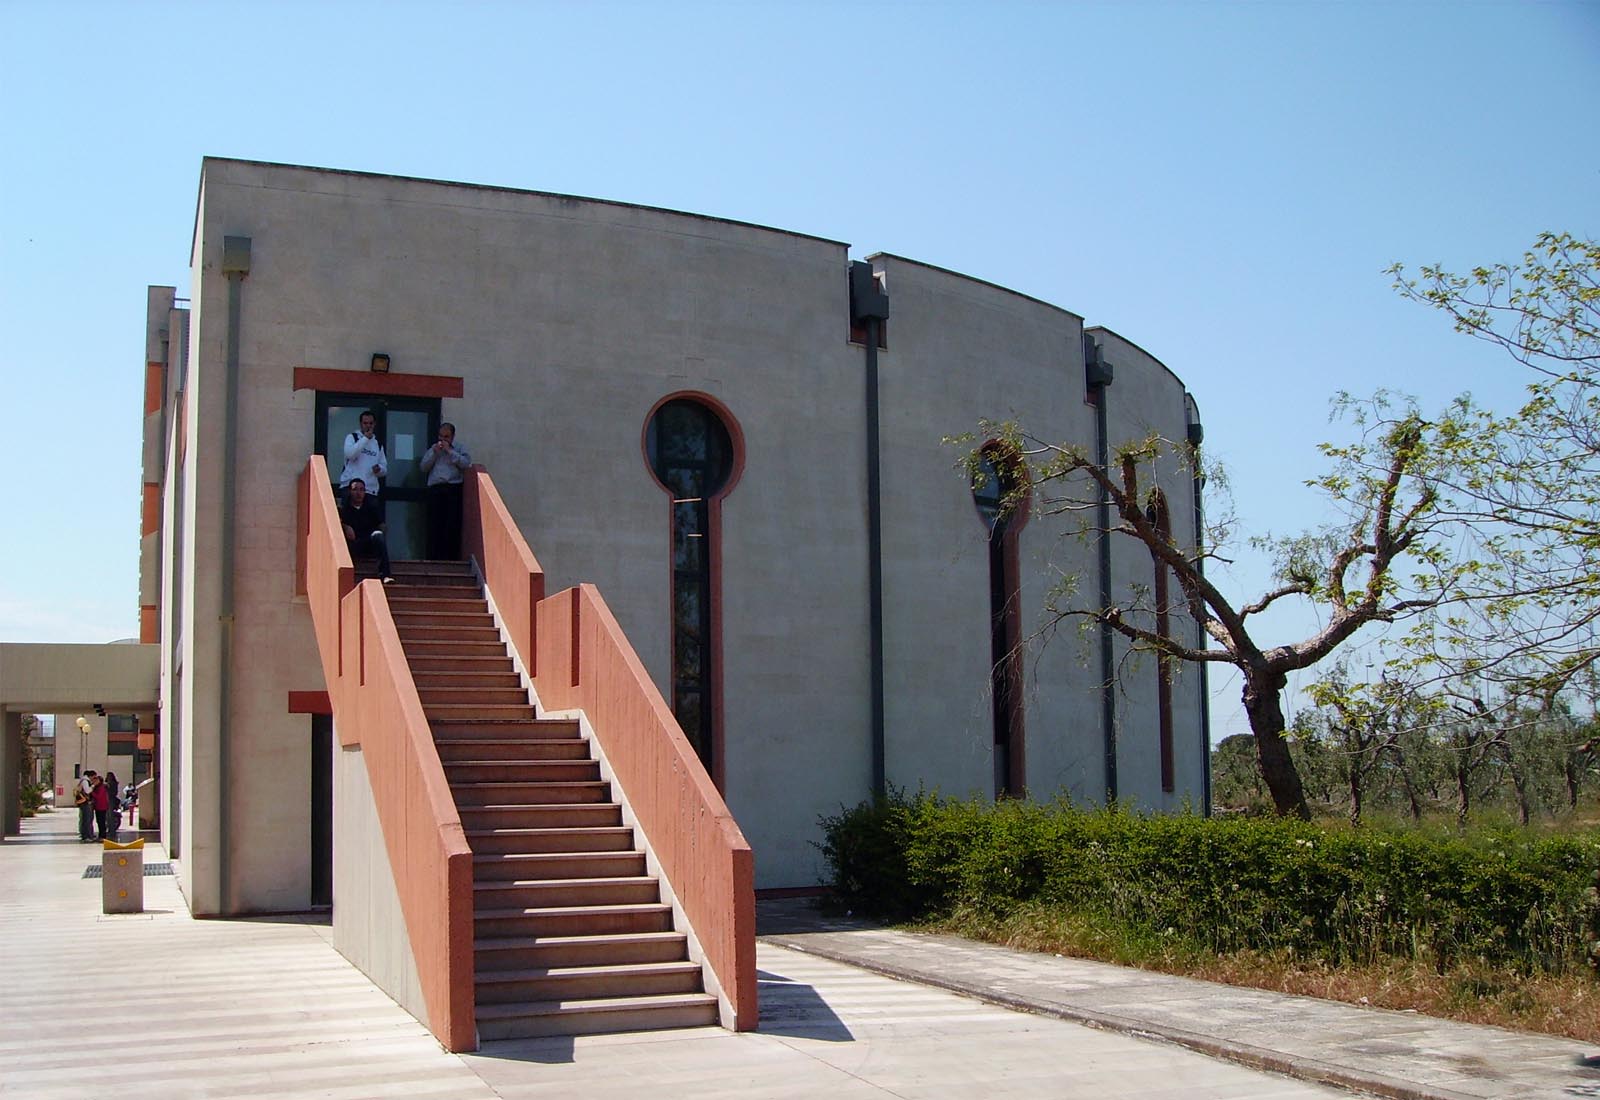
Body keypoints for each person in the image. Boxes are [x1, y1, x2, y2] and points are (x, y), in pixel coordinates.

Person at [420, 421, 471, 560]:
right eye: (441, 436)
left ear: (452, 437)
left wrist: (450, 451)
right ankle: (433, 557)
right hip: (436, 489)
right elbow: (423, 467)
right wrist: (434, 454)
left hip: (453, 489)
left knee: (451, 525)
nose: (443, 440)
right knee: (435, 525)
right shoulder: (434, 448)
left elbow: (466, 464)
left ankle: (450, 558)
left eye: (446, 437)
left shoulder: (459, 448)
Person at [340, 477, 393, 582]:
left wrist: (382, 532)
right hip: (353, 544)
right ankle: (348, 578)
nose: (358, 493)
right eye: (355, 489)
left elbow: (381, 524)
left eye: (361, 489)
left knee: (377, 535)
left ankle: (385, 575)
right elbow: (337, 524)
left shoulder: (371, 508)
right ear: (350, 491)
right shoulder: (344, 509)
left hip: (369, 543)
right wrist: (345, 526)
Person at [337, 410, 388, 499]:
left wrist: (379, 469)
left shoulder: (378, 444)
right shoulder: (352, 437)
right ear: (361, 424)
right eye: (365, 423)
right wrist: (365, 439)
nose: (368, 426)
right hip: (351, 487)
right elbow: (350, 455)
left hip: (369, 490)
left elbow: (384, 468)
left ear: (374, 424)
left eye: (371, 423)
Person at [75, 770, 97, 842]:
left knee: (86, 819)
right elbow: (87, 791)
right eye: (94, 777)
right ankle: (86, 836)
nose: (94, 779)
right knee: (87, 820)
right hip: (85, 803)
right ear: (90, 776)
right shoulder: (85, 781)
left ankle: (86, 835)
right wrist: (93, 786)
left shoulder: (83, 781)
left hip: (85, 803)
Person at [90, 774, 111, 842]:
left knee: (101, 822)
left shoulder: (101, 787)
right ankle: (100, 835)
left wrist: (92, 792)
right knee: (99, 821)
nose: (94, 782)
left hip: (102, 807)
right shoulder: (97, 787)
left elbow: (98, 796)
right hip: (98, 807)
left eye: (96, 780)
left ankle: (103, 835)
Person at [103, 771, 121, 841]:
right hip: (109, 801)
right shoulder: (112, 784)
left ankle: (111, 830)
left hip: (110, 801)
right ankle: (110, 830)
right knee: (108, 816)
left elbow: (113, 793)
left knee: (110, 816)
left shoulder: (112, 784)